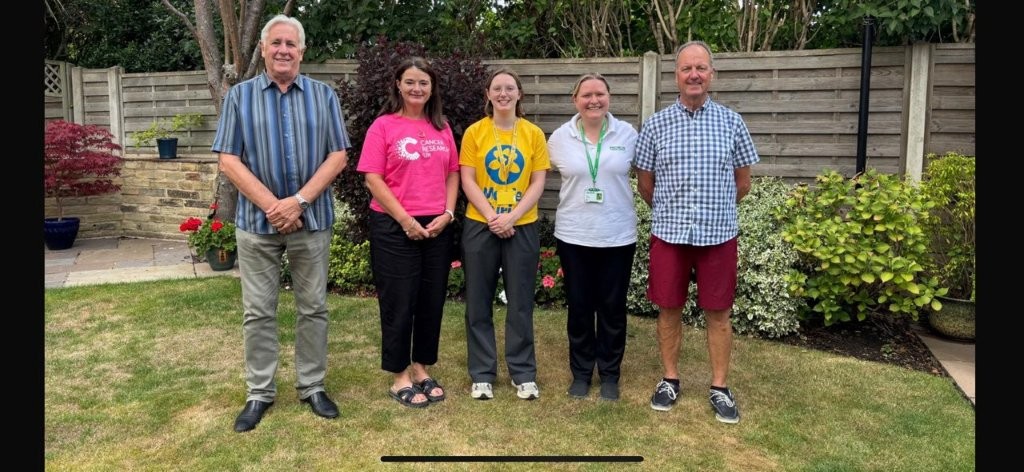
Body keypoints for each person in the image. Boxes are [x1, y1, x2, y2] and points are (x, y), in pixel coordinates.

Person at [212, 14, 350, 432]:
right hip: (257, 224)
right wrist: (274, 206)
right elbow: (228, 159)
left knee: (314, 308)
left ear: (301, 51)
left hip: (312, 220)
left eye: (291, 44)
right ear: (264, 49)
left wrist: (299, 201)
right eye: (276, 43)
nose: (283, 50)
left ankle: (313, 386)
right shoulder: (240, 97)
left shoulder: (324, 96)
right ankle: (259, 392)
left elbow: (338, 155)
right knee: (257, 312)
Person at [632, 40, 759, 423]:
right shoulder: (656, 125)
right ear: (676, 76)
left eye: (701, 68)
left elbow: (742, 183)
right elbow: (645, 184)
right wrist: (671, 211)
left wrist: (714, 211)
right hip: (670, 236)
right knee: (668, 309)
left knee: (718, 312)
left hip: (718, 236)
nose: (694, 75)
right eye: (687, 68)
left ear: (711, 74)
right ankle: (670, 379)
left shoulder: (732, 122)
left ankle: (720, 386)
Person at [356, 57, 459, 409]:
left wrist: (448, 213)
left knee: (431, 301)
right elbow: (372, 178)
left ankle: (421, 367)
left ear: (432, 88)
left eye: (423, 82)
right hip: (393, 224)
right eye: (410, 82)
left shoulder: (442, 127)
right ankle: (399, 375)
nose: (417, 88)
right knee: (399, 301)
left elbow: (453, 172)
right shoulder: (383, 126)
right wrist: (405, 220)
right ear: (398, 85)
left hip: (436, 226)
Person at [546, 73, 638, 401]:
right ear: (575, 100)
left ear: (609, 98)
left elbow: (647, 175)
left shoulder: (628, 134)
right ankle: (582, 372)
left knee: (612, 308)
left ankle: (610, 374)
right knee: (580, 307)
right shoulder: (559, 138)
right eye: (586, 95)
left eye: (600, 94)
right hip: (574, 236)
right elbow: (535, 176)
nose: (594, 100)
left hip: (617, 236)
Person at [460, 67, 550, 401]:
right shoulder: (475, 133)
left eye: (509, 88)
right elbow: (467, 179)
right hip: (480, 224)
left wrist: (511, 216)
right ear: (488, 94)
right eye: (497, 88)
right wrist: (492, 217)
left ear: (519, 94)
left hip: (521, 225)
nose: (503, 94)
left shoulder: (533, 134)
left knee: (521, 301)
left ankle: (523, 372)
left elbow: (538, 182)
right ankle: (482, 374)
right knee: (478, 301)